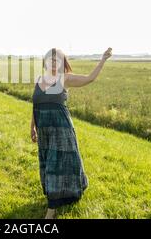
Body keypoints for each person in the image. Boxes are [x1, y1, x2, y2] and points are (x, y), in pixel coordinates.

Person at [31, 47, 112, 219]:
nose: (54, 62)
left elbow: (90, 78)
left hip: (62, 130)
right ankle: (68, 192)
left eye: (57, 59)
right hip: (44, 131)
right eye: (51, 59)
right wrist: (32, 126)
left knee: (56, 165)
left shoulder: (65, 79)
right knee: (49, 165)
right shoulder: (39, 79)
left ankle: (51, 210)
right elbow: (35, 104)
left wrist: (103, 59)